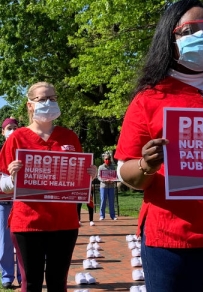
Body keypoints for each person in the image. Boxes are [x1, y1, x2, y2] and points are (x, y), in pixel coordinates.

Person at [114, 0, 203, 292]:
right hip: (174, 239)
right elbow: (125, 173)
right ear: (171, 37)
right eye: (190, 29)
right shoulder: (150, 98)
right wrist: (146, 165)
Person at [0, 82, 97, 292]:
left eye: (53, 98)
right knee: (31, 283)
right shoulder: (17, 138)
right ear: (29, 105)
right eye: (42, 99)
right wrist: (13, 179)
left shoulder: (69, 136)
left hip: (64, 222)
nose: (48, 103)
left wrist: (90, 175)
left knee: (57, 282)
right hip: (28, 222)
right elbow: (3, 184)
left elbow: (78, 179)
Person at [0, 117, 21, 289]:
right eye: (9, 127)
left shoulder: (26, 152)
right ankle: (7, 276)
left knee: (22, 243)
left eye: (15, 127)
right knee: (5, 244)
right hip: (3, 204)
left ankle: (24, 276)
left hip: (21, 203)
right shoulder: (1, 153)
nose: (12, 130)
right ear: (3, 131)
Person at [97, 154, 117, 220]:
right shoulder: (101, 167)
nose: (107, 160)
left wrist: (113, 180)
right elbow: (99, 176)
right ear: (104, 160)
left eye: (108, 159)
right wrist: (104, 180)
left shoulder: (112, 167)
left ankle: (113, 215)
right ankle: (102, 215)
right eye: (106, 159)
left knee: (111, 201)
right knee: (103, 201)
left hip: (111, 186)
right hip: (103, 186)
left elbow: (115, 176)